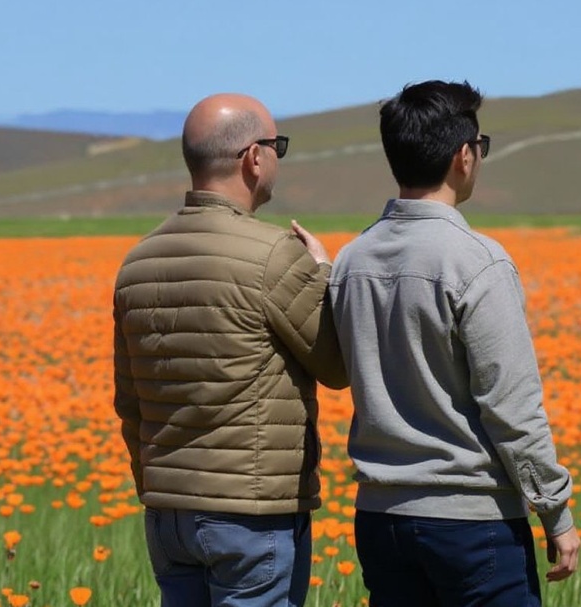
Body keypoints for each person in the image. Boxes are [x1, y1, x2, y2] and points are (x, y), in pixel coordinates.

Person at [329, 80, 580, 607]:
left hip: (380, 519)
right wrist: (555, 511)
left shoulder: (351, 260)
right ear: (464, 156)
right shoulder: (476, 261)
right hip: (471, 524)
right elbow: (511, 406)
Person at [112, 93, 348, 607]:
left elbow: (129, 401)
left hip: (167, 514)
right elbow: (336, 362)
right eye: (277, 145)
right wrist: (322, 272)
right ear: (253, 157)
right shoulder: (272, 255)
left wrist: (155, 486)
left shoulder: (136, 262)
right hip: (250, 515)